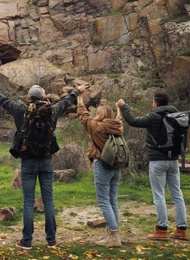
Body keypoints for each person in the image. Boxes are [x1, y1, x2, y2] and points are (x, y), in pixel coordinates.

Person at [0, 80, 84, 250]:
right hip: (46, 160)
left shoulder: (20, 110)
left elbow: (3, 100)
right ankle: (51, 240)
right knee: (48, 200)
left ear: (29, 97)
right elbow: (66, 101)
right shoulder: (52, 110)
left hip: (28, 161)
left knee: (27, 201)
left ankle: (27, 240)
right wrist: (78, 91)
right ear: (43, 97)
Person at [117, 91, 190, 241]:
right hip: (174, 161)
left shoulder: (153, 116)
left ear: (156, 103)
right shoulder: (179, 115)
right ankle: (181, 229)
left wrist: (123, 106)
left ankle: (162, 229)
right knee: (177, 194)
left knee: (159, 195)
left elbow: (134, 121)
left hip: (157, 161)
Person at [76, 86, 124, 247]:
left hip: (102, 165)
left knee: (104, 200)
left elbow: (82, 114)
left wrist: (79, 96)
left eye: (97, 113)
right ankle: (111, 234)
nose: (95, 115)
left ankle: (114, 234)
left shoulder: (97, 127)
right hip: (116, 166)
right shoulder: (116, 126)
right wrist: (119, 109)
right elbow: (119, 119)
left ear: (101, 115)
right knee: (113, 200)